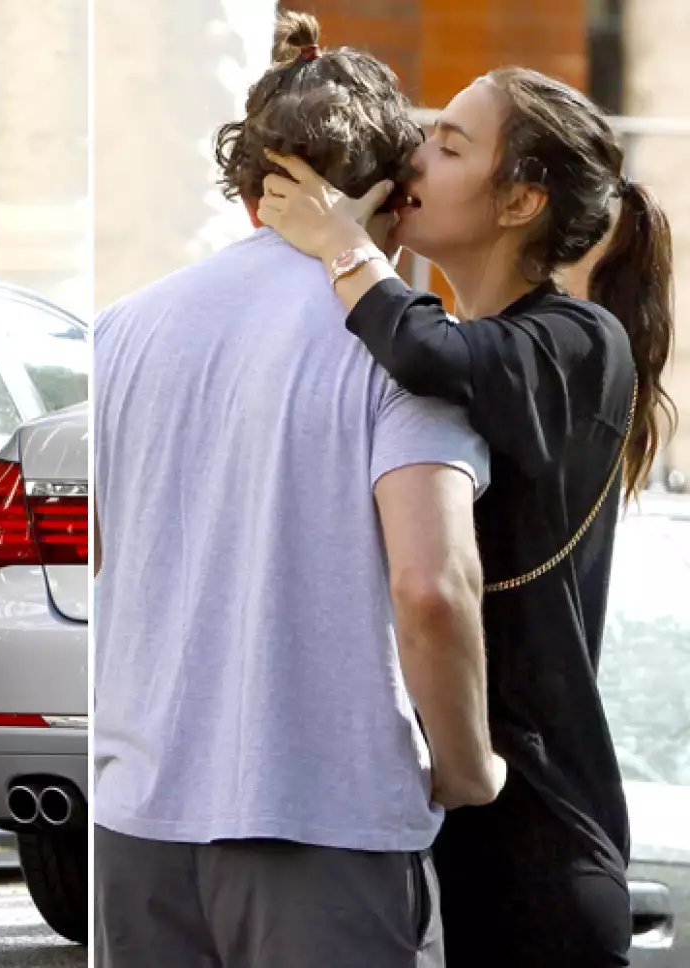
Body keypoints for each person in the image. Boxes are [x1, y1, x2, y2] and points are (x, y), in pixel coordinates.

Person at [93, 13, 505, 968]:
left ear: (251, 190)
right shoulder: (397, 350)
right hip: (330, 818)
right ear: (398, 194)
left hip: (140, 815)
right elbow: (432, 587)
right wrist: (464, 766)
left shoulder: (124, 328)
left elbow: (111, 550)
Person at [259, 55, 676, 968]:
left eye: (448, 144)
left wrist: (343, 245)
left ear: (520, 201)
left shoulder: (577, 338)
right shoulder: (475, 336)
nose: (412, 159)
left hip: (536, 844)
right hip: (438, 824)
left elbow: (429, 352)